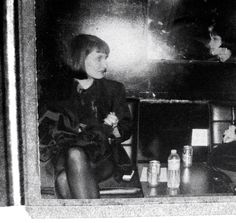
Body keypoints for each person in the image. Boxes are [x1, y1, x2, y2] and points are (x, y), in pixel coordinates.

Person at [39, 34, 132, 199]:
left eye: (106, 58)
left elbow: (126, 130)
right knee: (74, 154)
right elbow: (48, 132)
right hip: (65, 156)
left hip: (102, 158)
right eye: (99, 58)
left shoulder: (114, 89)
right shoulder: (55, 91)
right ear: (80, 58)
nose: (105, 64)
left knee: (64, 179)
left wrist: (115, 128)